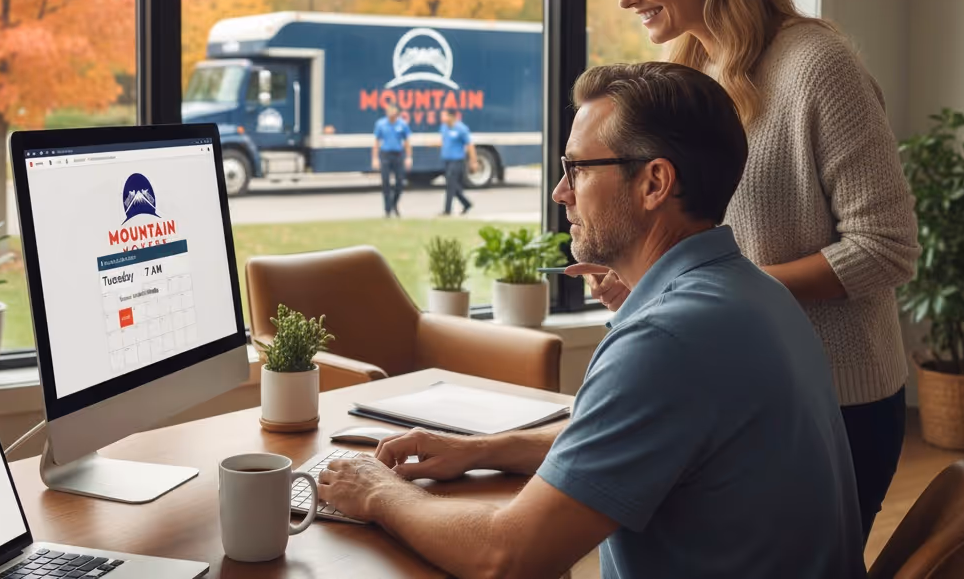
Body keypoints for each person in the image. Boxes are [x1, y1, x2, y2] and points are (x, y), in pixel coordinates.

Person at [318, 63, 865, 579]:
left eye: (576, 169)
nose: (560, 192)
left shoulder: (667, 339)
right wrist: (480, 450)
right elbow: (622, 442)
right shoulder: (754, 293)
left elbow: (505, 557)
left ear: (654, 183)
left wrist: (375, 491)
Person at [567, 0, 919, 541]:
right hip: (730, 388)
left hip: (834, 398)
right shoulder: (687, 75)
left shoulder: (818, 66)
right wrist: (648, 283)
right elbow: (700, 245)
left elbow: (887, 247)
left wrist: (716, 296)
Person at [371, 103, 411, 217]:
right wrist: (375, 158)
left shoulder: (402, 125)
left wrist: (408, 157)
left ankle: (394, 203)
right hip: (385, 154)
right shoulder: (381, 124)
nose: (391, 115)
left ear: (397, 114)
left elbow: (407, 142)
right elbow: (376, 141)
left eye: (393, 113)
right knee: (385, 182)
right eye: (389, 113)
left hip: (398, 154)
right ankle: (387, 209)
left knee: (400, 182)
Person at [439, 109, 476, 215]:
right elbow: (444, 142)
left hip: (457, 161)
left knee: (450, 185)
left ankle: (447, 210)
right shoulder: (444, 128)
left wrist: (473, 162)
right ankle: (466, 203)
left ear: (452, 117)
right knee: (452, 185)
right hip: (446, 160)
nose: (442, 118)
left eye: (445, 115)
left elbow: (470, 145)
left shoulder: (461, 129)